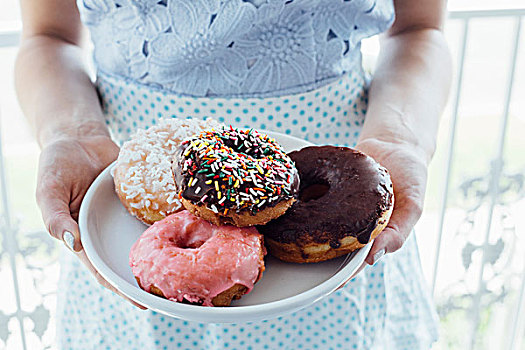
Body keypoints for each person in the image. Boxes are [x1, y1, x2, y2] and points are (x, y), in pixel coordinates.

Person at [15, 0, 451, 348]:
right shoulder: (138, 195)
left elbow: (419, 27)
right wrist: (71, 132)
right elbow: (48, 36)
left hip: (344, 199)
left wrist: (400, 137)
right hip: (119, 208)